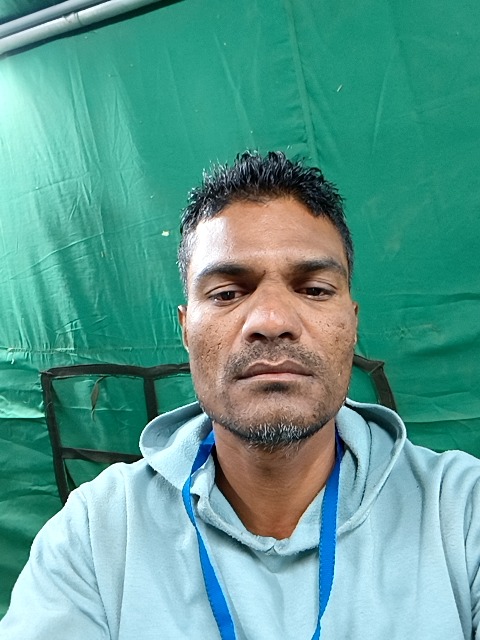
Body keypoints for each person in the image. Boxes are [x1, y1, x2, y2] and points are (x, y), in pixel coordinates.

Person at [1, 151, 479, 640]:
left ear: (352, 323)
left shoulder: (462, 512)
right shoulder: (98, 531)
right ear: (186, 330)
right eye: (228, 293)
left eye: (314, 289)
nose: (271, 321)